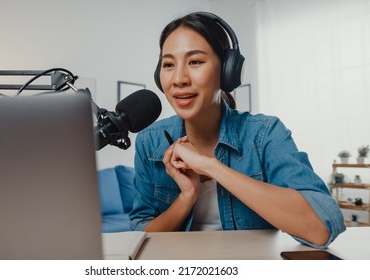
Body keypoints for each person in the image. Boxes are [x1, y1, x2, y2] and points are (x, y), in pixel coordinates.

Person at [129, 11, 345, 248]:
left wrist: (209, 165)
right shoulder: (150, 142)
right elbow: (141, 235)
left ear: (227, 71)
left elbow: (321, 228)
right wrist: (187, 197)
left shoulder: (265, 134)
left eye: (195, 62)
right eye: (169, 64)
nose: (179, 78)